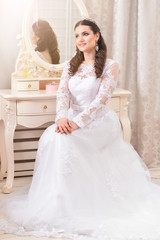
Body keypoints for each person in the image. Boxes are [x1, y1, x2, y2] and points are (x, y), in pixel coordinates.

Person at [1, 19, 160, 239]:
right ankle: (58, 202)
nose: (80, 39)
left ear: (96, 36)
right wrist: (61, 118)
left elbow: (101, 100)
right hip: (72, 117)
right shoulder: (70, 65)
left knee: (67, 140)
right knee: (53, 137)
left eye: (85, 34)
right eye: (77, 36)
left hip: (98, 121)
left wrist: (78, 122)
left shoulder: (110, 65)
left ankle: (80, 204)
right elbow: (62, 94)